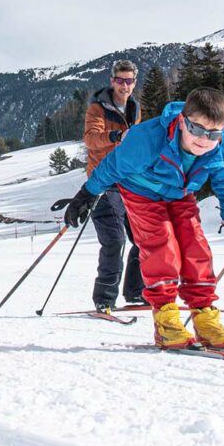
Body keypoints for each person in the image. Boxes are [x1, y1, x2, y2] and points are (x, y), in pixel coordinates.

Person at [59, 87, 224, 350]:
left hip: (179, 193)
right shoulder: (149, 138)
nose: (204, 140)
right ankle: (166, 321)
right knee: (162, 245)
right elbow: (112, 166)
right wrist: (86, 194)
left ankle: (205, 317)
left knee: (195, 246)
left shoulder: (220, 147)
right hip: (141, 191)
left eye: (213, 133)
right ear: (183, 121)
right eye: (197, 129)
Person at [82, 58, 145, 313]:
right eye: (120, 80)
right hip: (102, 182)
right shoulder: (97, 109)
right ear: (112, 81)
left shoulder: (134, 109)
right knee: (115, 241)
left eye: (129, 81)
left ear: (134, 83)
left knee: (143, 237)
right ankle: (104, 299)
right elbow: (90, 140)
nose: (125, 86)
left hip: (129, 182)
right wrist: (116, 136)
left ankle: (136, 291)